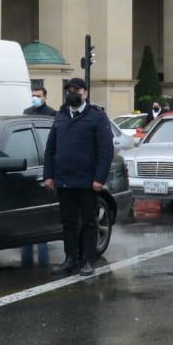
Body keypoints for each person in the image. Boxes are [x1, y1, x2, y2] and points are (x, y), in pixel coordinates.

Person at [43, 78, 113, 277]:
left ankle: (88, 260)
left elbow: (105, 150)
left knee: (89, 222)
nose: (72, 93)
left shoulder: (96, 116)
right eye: (69, 90)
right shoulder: (61, 116)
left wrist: (99, 178)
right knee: (68, 222)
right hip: (64, 179)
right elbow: (51, 148)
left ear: (86, 93)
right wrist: (48, 175)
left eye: (77, 90)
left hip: (87, 181)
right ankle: (70, 259)